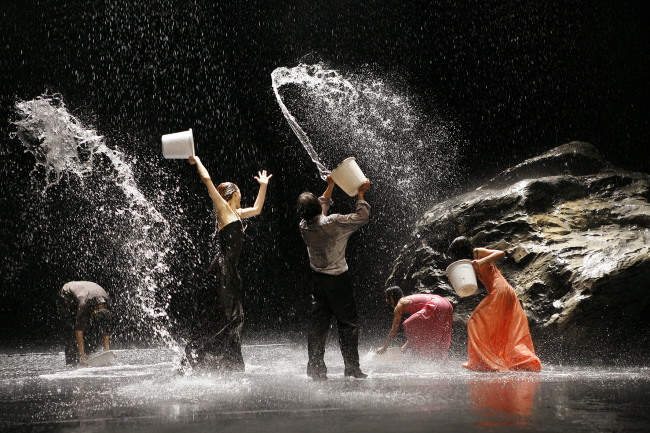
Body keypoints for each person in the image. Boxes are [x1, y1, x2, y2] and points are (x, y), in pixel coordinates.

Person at [182, 155, 272, 372]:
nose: (242, 194)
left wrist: (264, 186)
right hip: (221, 270)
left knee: (232, 316)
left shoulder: (238, 214)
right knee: (228, 316)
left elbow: (258, 209)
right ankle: (208, 358)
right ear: (233, 194)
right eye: (239, 191)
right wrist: (198, 160)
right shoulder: (223, 210)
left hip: (230, 271)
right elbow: (207, 180)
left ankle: (223, 360)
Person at [297, 175, 371, 380]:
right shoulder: (334, 222)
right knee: (348, 324)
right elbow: (362, 216)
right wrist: (361, 194)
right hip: (338, 281)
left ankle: (316, 369)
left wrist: (329, 187)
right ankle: (352, 368)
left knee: (317, 328)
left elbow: (319, 208)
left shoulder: (303, 226)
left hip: (318, 282)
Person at [448, 236, 542, 372]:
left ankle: (483, 362)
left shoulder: (477, 253)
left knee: (473, 321)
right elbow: (466, 283)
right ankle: (492, 359)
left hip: (500, 289)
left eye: (456, 254)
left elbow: (500, 253)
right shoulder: (468, 262)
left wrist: (482, 262)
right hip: (499, 291)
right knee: (501, 328)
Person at [376, 286, 453, 360]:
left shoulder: (400, 304)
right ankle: (438, 360)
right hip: (446, 304)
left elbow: (394, 329)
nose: (386, 300)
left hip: (436, 304)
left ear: (392, 297)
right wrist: (404, 347)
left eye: (387, 297)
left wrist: (384, 347)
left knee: (407, 324)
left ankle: (419, 357)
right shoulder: (409, 300)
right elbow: (416, 330)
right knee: (437, 332)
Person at [57, 281, 112, 366]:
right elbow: (79, 331)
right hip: (66, 295)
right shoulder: (84, 304)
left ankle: (87, 353)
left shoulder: (107, 301)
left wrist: (107, 353)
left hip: (86, 293)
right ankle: (71, 362)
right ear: (95, 310)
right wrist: (82, 358)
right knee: (71, 329)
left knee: (89, 327)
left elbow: (106, 330)